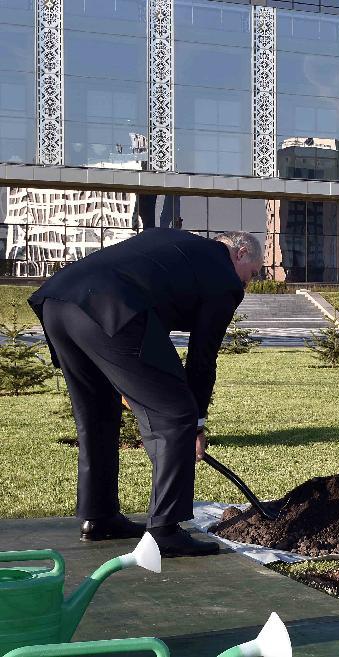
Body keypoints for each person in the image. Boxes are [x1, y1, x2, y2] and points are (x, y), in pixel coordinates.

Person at [29, 229, 263, 557]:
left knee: (97, 414)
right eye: (252, 274)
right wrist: (196, 421)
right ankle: (165, 531)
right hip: (112, 305)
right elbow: (202, 357)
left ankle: (99, 516)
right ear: (240, 253)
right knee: (175, 414)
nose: (247, 285)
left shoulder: (179, 246)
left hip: (59, 302)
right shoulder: (224, 277)